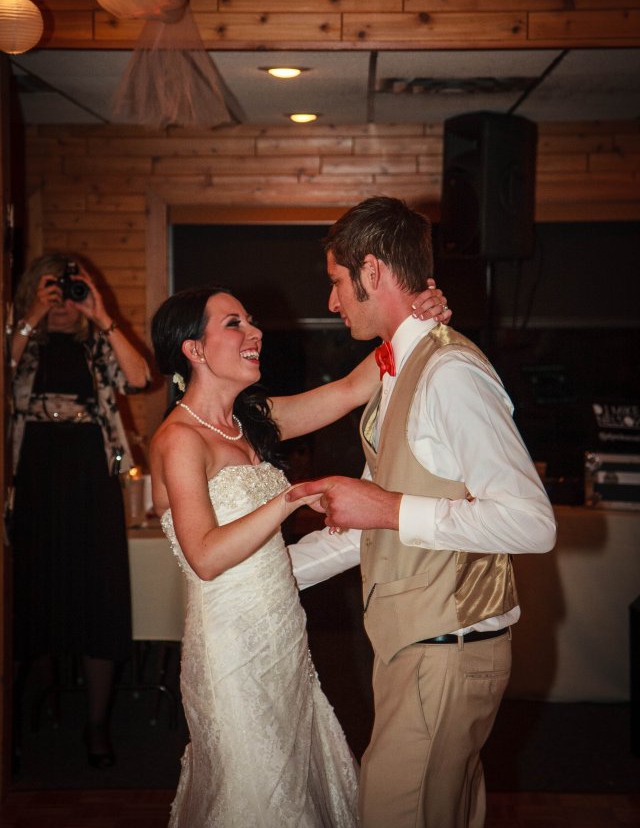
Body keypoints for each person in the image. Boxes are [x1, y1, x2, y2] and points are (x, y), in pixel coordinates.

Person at [287, 196, 558, 828]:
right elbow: (368, 525)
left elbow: (530, 521)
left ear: (373, 272)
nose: (332, 303)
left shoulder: (451, 371)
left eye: (336, 283)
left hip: (448, 648)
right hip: (418, 649)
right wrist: (273, 572)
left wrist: (386, 507)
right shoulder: (398, 371)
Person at [149, 280, 449, 828]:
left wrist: (414, 320)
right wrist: (290, 497)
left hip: (283, 637)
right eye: (233, 323)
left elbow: (354, 388)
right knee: (255, 791)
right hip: (230, 650)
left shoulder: (252, 423)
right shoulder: (179, 440)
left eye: (250, 319)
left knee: (297, 777)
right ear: (193, 350)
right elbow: (206, 557)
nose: (254, 332)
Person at [8, 253, 150, 769]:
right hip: (33, 486)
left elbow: (139, 378)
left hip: (93, 486)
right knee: (28, 601)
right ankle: (17, 722)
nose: (62, 302)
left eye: (70, 291)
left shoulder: (96, 348)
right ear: (32, 292)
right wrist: (29, 319)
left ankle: (97, 725)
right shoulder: (19, 346)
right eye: (52, 290)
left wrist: (101, 314)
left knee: (100, 599)